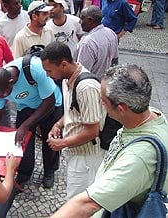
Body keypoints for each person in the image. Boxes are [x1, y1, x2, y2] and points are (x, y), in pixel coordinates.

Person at [51, 64, 168, 217]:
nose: (100, 104)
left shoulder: (139, 157)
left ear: (121, 108)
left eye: (103, 101)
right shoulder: (151, 114)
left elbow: (88, 204)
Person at [0, 56, 63, 189]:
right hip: (26, 107)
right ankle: (24, 173)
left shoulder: (35, 69)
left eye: (3, 95)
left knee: (50, 140)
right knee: (21, 142)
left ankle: (49, 171)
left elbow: (49, 101)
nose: (1, 98)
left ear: (11, 83)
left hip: (50, 105)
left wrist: (25, 125)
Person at [40, 41, 106, 198]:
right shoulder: (66, 80)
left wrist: (62, 143)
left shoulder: (86, 87)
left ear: (63, 64)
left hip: (87, 158)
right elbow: (73, 111)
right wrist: (58, 124)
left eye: (49, 71)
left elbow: (92, 130)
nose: (48, 75)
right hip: (75, 152)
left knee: (78, 201)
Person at [74, 6, 118, 78]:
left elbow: (82, 72)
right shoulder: (111, 33)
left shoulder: (87, 43)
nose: (79, 22)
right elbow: (115, 61)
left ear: (90, 20)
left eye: (82, 19)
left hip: (92, 84)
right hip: (107, 82)